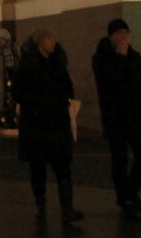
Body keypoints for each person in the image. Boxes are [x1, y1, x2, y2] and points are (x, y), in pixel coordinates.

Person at [12, 28, 83, 224]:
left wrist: (63, 100)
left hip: (57, 121)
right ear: (40, 42)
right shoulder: (27, 65)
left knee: (63, 166)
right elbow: (17, 93)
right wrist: (37, 102)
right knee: (38, 167)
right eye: (49, 38)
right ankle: (40, 202)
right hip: (36, 123)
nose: (53, 41)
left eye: (53, 38)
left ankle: (67, 209)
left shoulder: (58, 63)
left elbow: (68, 87)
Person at [92, 18, 141, 221]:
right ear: (110, 36)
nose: (123, 37)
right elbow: (109, 83)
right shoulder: (101, 57)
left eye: (125, 33)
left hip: (137, 116)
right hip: (116, 117)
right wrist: (119, 58)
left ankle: (131, 191)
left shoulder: (135, 56)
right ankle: (124, 198)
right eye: (118, 33)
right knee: (119, 160)